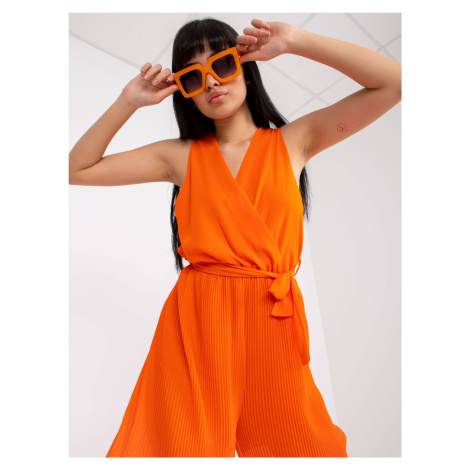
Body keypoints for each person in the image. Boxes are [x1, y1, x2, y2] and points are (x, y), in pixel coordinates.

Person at [69, 17, 401, 457]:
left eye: (222, 64)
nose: (210, 81)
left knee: (307, 447)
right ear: (185, 92)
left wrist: (296, 40)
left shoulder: (294, 142)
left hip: (272, 322)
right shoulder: (180, 158)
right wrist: (127, 102)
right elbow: (76, 169)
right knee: (182, 447)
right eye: (192, 77)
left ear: (245, 67)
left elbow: (395, 84)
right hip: (198, 325)